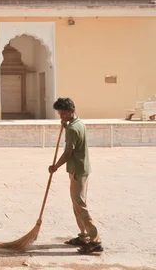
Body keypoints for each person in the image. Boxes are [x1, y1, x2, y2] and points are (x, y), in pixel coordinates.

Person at [49, 97, 103, 255]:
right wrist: (66, 125)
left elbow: (68, 152)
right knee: (76, 204)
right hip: (80, 168)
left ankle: (95, 240)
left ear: (71, 111)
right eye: (59, 115)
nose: (61, 117)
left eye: (63, 114)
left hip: (78, 170)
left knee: (80, 205)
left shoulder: (72, 128)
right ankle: (83, 236)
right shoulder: (78, 123)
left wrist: (55, 167)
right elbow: (74, 136)